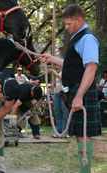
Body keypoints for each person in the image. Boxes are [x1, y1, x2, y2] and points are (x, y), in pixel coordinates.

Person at [37, 4, 101, 173]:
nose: (66, 28)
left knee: (83, 133)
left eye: (68, 24)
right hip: (76, 89)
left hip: (82, 90)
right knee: (81, 133)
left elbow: (91, 67)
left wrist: (79, 96)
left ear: (79, 20)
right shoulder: (78, 38)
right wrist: (52, 59)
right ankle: (83, 170)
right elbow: (72, 65)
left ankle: (85, 171)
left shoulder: (87, 38)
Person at [52, 66, 70, 138]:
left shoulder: (67, 72)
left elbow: (64, 80)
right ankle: (58, 131)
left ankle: (66, 132)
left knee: (65, 114)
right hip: (56, 94)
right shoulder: (59, 72)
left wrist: (56, 74)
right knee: (58, 114)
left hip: (64, 94)